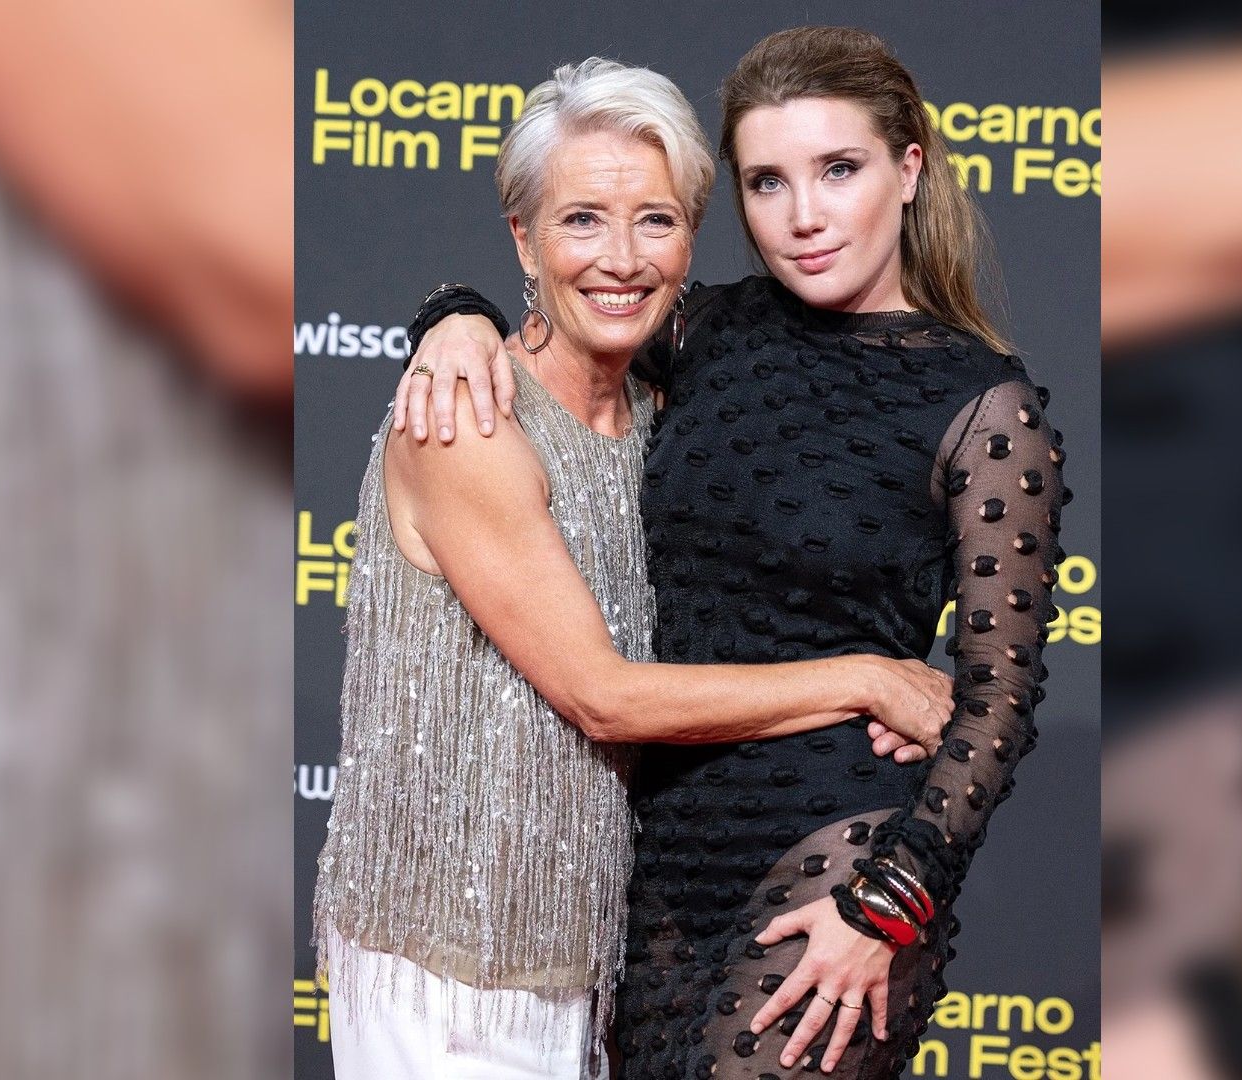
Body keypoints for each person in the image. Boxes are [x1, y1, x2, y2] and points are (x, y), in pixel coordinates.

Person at [404, 27, 1067, 1078]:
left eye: (837, 170)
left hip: (839, 853)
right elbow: (569, 313)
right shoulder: (700, 333)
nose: (803, 215)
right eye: (768, 181)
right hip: (658, 866)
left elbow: (998, 703)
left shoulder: (985, 406)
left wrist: (891, 905)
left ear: (909, 169)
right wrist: (452, 316)